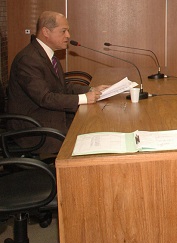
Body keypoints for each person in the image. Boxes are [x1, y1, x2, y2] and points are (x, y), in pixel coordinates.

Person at [7, 11, 107, 153]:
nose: (68, 35)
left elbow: (62, 86)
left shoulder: (47, 54)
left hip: (50, 116)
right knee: (89, 136)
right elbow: (45, 98)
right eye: (63, 31)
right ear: (46, 32)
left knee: (95, 125)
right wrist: (83, 98)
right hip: (35, 129)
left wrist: (91, 90)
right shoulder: (28, 59)